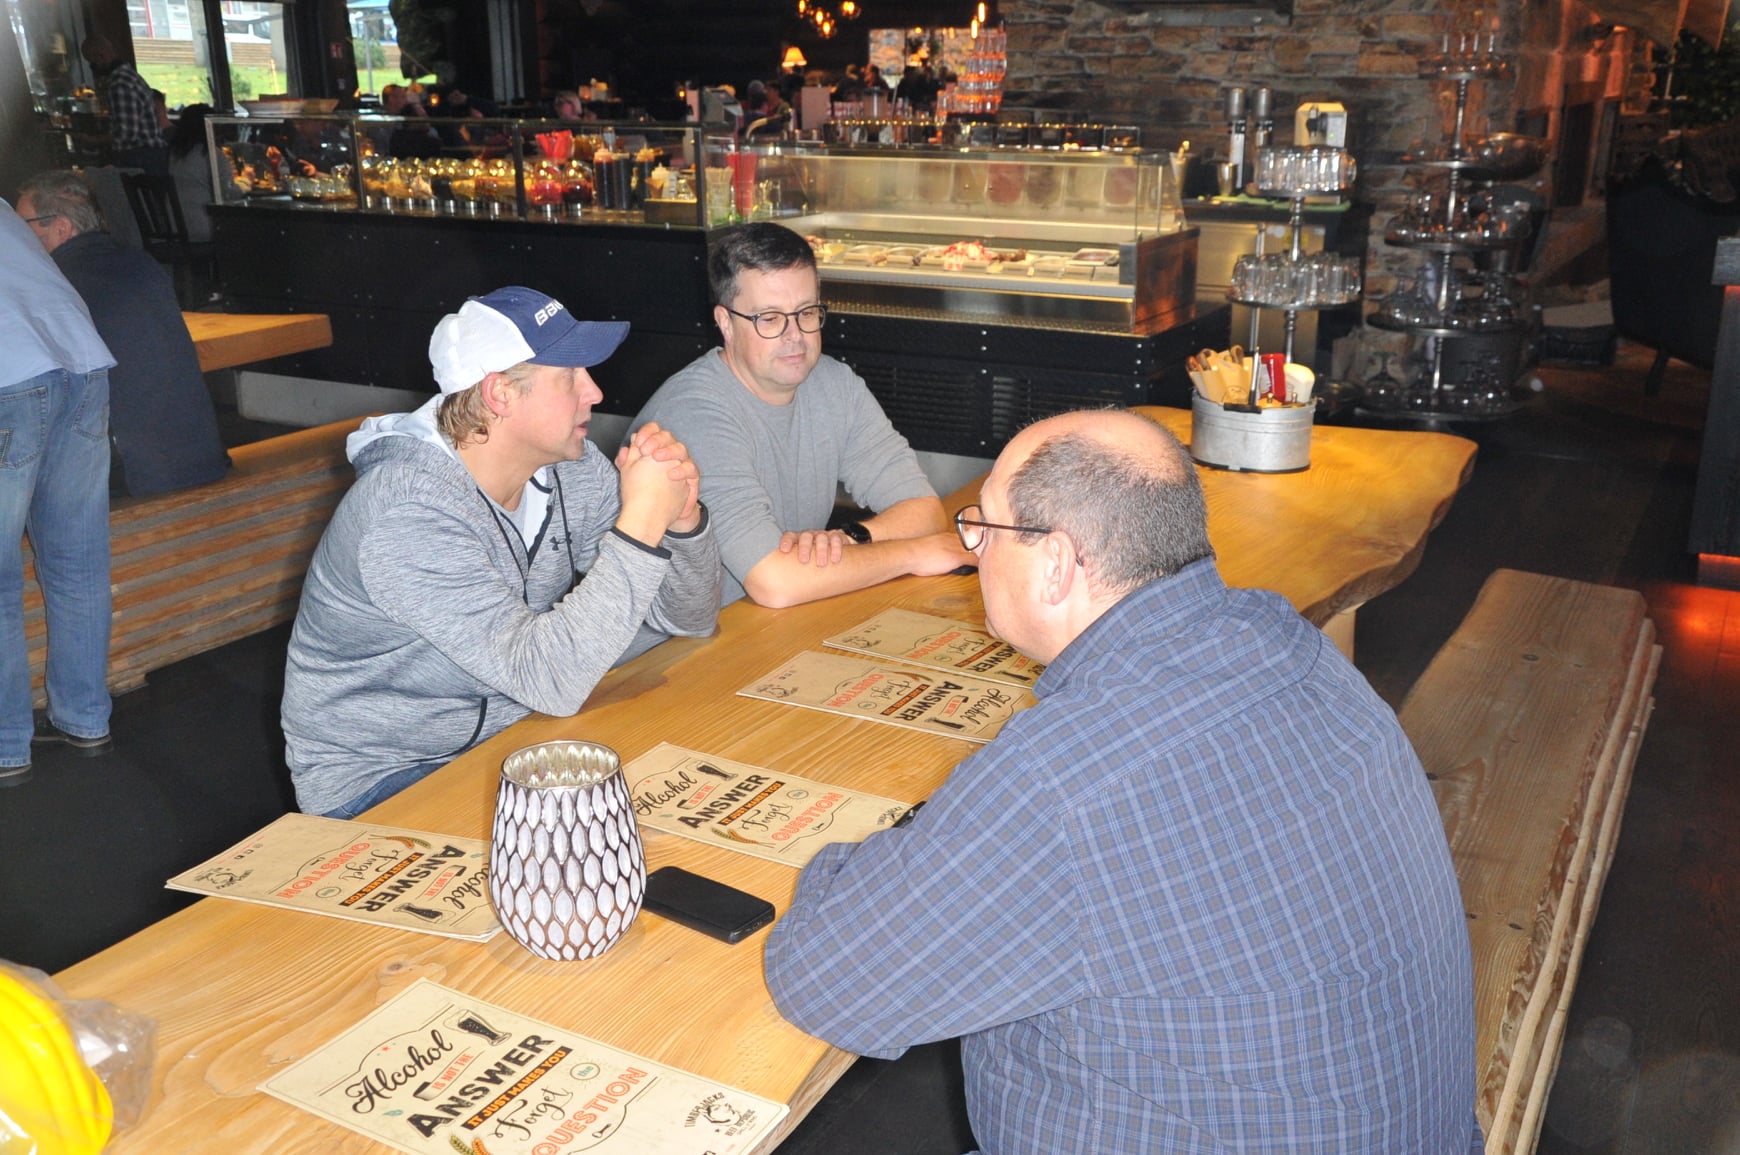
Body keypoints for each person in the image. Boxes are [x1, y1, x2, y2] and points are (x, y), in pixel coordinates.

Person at [764, 408, 1479, 1154]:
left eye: (984, 529)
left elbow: (826, 979)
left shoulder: (1061, 783)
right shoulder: (1285, 638)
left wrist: (908, 846)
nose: (974, 551)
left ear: (1056, 563)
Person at [282, 287, 721, 819]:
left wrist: (681, 521)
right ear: (500, 394)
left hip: (521, 731)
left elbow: (690, 618)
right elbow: (552, 678)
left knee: (701, 779)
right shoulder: (406, 513)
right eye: (570, 376)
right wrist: (643, 521)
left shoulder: (572, 468)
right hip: (387, 778)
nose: (595, 391)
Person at [631, 222, 972, 609]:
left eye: (806, 312)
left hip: (775, 618)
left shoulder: (834, 383)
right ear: (725, 323)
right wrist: (914, 554)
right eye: (770, 318)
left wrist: (850, 539)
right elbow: (775, 582)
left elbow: (925, 510)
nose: (794, 335)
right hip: (681, 640)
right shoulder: (695, 414)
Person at [17, 171, 230, 499]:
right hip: (198, 455)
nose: (15, 238)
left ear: (61, 227)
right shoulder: (141, 264)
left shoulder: (58, 286)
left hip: (138, 473)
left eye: (22, 226)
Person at [0, 199, 117, 780]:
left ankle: (5, 744)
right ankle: (85, 717)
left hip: (8, 381)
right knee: (78, 562)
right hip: (81, 365)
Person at [81, 34, 168, 173]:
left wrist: (95, 140)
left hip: (140, 158)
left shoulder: (120, 84)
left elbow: (127, 134)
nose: (93, 68)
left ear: (100, 56)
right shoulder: (129, 76)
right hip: (150, 156)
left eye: (91, 62)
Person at [167, 103, 216, 244]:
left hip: (176, 226)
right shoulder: (211, 154)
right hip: (205, 227)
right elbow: (228, 192)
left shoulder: (174, 155)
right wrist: (245, 182)